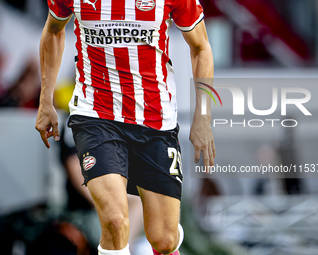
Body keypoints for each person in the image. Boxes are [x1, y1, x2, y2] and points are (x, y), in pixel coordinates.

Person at [35, 0, 215, 254]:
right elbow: (53, 30)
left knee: (163, 239)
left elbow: (201, 47)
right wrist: (45, 102)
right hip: (95, 117)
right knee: (115, 221)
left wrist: (203, 117)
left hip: (155, 122)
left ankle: (171, 231)